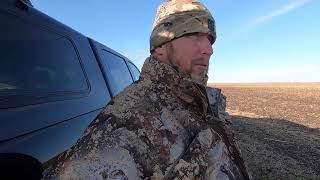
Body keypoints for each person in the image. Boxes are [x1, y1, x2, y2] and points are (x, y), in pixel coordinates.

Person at [45, 0, 251, 179]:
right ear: (160, 46)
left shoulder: (204, 105)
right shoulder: (126, 126)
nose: (209, 49)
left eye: (210, 39)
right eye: (194, 35)